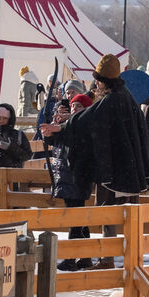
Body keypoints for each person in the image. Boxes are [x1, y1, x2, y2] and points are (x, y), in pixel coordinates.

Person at [40, 53, 149, 269]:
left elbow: (88, 119)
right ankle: (127, 259)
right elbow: (89, 116)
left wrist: (59, 128)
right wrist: (64, 124)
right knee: (123, 215)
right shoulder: (124, 97)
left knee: (107, 212)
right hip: (127, 167)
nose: (97, 85)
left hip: (117, 169)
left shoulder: (112, 100)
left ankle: (108, 260)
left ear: (105, 81)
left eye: (99, 81)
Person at [45, 96, 95, 271]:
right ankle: (85, 257)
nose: (74, 109)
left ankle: (71, 258)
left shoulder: (83, 124)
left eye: (78, 106)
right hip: (66, 174)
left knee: (75, 217)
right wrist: (52, 130)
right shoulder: (69, 124)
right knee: (78, 217)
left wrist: (63, 126)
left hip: (78, 174)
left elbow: (76, 141)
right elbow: (55, 142)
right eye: (73, 105)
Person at [0, 103, 33, 203]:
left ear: (10, 118)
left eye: (4, 118)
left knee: (14, 205)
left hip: (14, 178)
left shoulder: (19, 135)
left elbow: (27, 155)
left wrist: (10, 148)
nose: (1, 121)